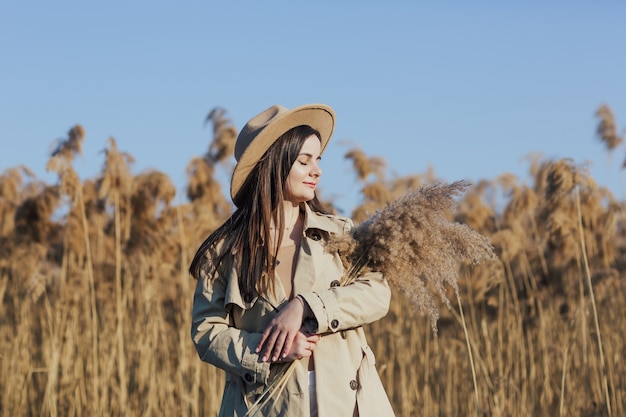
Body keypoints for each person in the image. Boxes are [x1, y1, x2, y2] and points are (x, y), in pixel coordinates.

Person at [190, 103, 395, 417]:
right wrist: (270, 350)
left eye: (318, 159)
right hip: (266, 406)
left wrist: (307, 305)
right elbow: (207, 333)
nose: (317, 170)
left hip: (349, 404)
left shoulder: (340, 235)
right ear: (274, 164)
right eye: (304, 161)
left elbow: (377, 294)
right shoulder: (224, 253)